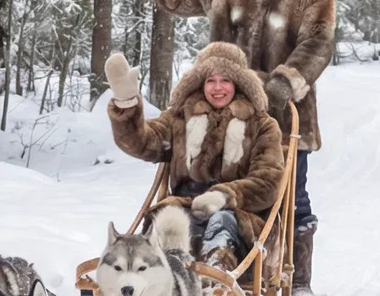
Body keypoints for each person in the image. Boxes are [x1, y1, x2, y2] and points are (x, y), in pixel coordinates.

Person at [138, 0, 335, 296]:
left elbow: (319, 42)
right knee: (213, 184)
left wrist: (283, 83)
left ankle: (294, 275)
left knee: (289, 194)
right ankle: (201, 261)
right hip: (222, 107)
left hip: (284, 110)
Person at [102, 44, 284, 275]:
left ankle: (215, 277)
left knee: (222, 222)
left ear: (239, 83)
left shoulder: (261, 124)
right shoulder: (180, 118)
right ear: (200, 83)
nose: (218, 88)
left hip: (241, 213)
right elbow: (145, 143)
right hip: (185, 204)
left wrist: (223, 196)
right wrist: (127, 106)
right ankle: (165, 278)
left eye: (225, 80)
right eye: (210, 80)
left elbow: (268, 182)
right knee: (168, 219)